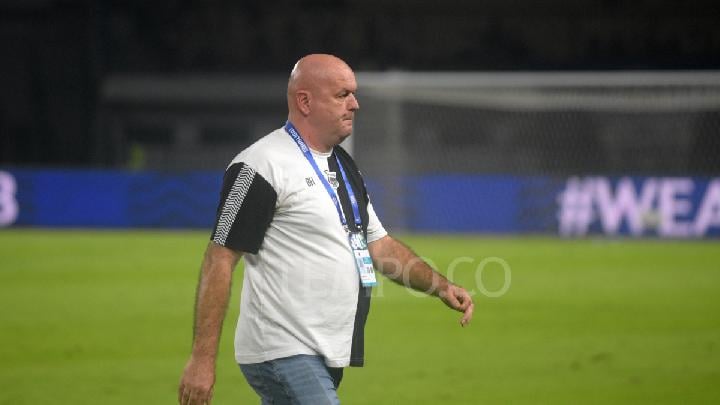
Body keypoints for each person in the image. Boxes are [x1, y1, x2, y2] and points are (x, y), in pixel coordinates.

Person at [178, 54, 474, 405]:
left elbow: (379, 246)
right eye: (342, 94)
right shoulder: (260, 165)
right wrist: (202, 360)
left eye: (354, 94)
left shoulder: (344, 166)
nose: (355, 104)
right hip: (283, 348)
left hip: (327, 350)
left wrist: (441, 286)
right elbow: (220, 258)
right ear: (305, 101)